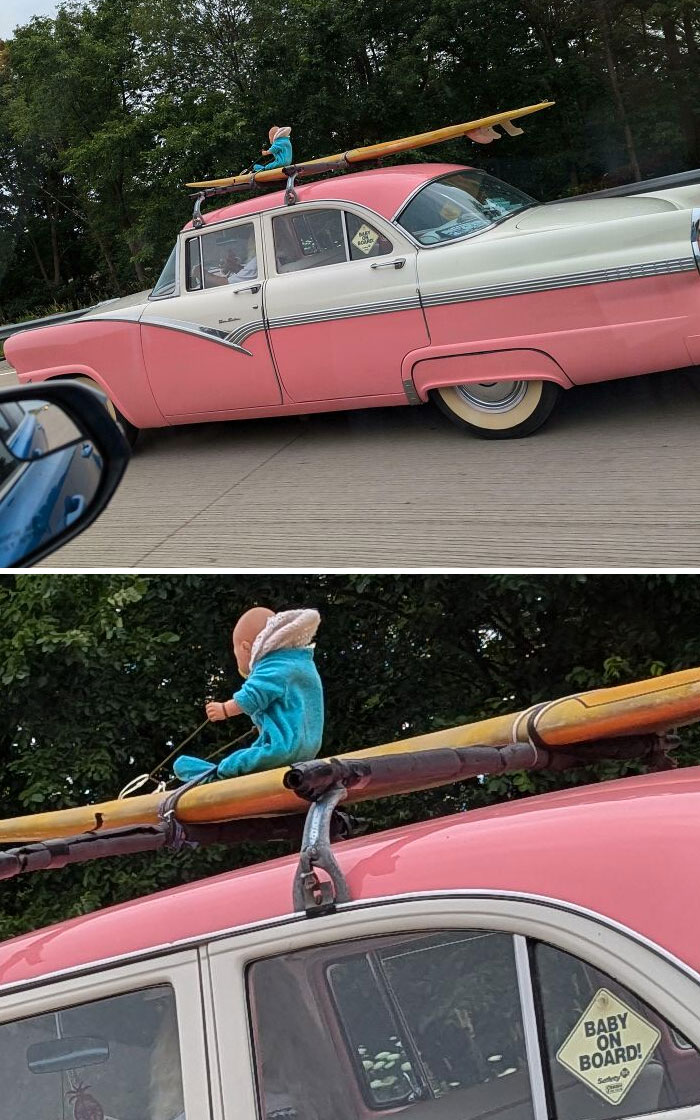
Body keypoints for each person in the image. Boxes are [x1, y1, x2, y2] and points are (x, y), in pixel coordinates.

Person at [173, 607, 324, 782]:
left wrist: (225, 709)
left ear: (245, 648)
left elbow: (253, 695)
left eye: (236, 654)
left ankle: (216, 776)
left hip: (280, 747)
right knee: (255, 752)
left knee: (240, 761)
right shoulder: (301, 663)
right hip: (308, 748)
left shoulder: (274, 665)